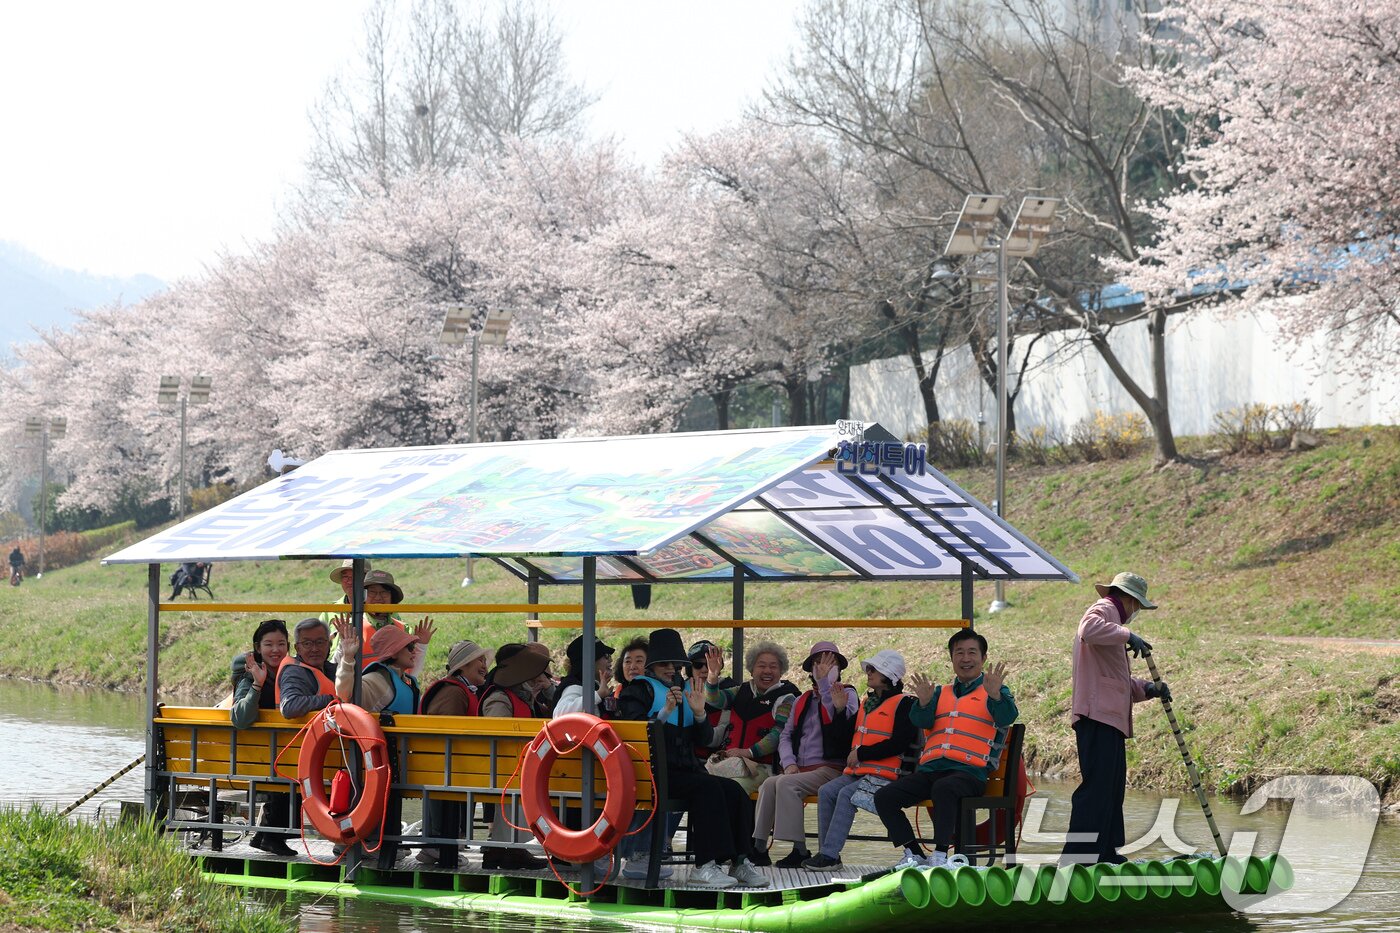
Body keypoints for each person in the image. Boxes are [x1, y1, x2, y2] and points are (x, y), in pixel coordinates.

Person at [620, 628, 763, 889]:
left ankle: (740, 861)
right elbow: (633, 733)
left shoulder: (687, 691)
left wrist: (699, 714)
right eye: (664, 664)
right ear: (652, 665)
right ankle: (705, 866)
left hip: (685, 771)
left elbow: (705, 740)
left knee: (734, 791)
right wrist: (664, 712)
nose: (670, 668)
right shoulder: (638, 691)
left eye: (675, 664)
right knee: (707, 789)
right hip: (651, 775)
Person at [874, 630, 1017, 869]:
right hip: (932, 770)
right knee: (884, 796)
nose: (965, 658)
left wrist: (995, 696)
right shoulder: (940, 692)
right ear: (951, 659)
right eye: (959, 652)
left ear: (983, 658)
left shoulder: (996, 690)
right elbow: (921, 722)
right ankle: (914, 853)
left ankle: (941, 857)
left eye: (972, 652)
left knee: (945, 787)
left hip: (969, 774)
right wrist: (923, 703)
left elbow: (1007, 716)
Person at [1061, 572, 1170, 866]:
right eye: (1137, 606)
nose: (1136, 614)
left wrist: (1148, 688)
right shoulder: (1106, 609)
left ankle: (1105, 853)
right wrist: (1128, 635)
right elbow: (1088, 628)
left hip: (1109, 719)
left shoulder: (1113, 622)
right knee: (1097, 788)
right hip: (1097, 717)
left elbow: (1116, 680)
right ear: (1131, 600)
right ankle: (1079, 859)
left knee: (1111, 789)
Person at [803, 650, 916, 871]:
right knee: (827, 791)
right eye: (869, 669)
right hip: (860, 772)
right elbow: (843, 739)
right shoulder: (868, 702)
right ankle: (828, 855)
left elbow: (900, 743)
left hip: (888, 776)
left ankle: (829, 854)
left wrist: (862, 754)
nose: (869, 672)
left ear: (889, 674)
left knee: (847, 795)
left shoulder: (905, 703)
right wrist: (839, 710)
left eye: (874, 669)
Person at [751, 641, 857, 868]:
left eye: (832, 663)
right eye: (819, 662)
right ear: (811, 669)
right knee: (769, 784)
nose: (825, 667)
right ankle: (758, 848)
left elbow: (837, 724)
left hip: (831, 768)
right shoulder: (801, 700)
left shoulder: (847, 694)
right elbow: (785, 736)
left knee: (788, 785)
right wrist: (789, 763)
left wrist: (825, 686)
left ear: (839, 669)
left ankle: (799, 850)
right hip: (801, 769)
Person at [479, 643, 552, 870]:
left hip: (515, 768)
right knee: (518, 787)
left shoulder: (517, 695)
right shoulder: (499, 698)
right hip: (501, 769)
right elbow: (497, 736)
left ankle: (508, 850)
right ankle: (503, 849)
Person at [417, 639, 488, 869]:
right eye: (480, 660)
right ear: (464, 665)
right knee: (444, 790)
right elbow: (443, 736)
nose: (485, 665)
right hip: (441, 768)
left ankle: (439, 845)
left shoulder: (462, 689)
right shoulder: (453, 692)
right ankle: (437, 844)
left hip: (449, 767)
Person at [229, 619, 294, 856]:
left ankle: (264, 836)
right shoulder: (249, 677)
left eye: (281, 644)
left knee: (292, 763)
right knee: (293, 769)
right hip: (257, 756)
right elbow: (240, 719)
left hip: (277, 753)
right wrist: (257, 684)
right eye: (268, 644)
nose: (275, 650)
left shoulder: (293, 672)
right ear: (257, 648)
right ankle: (271, 837)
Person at [703, 641, 800, 786]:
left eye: (773, 667)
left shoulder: (786, 699)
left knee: (733, 787)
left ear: (781, 671)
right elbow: (714, 700)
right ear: (751, 670)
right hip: (731, 764)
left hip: (763, 768)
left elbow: (778, 735)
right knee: (706, 784)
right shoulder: (741, 691)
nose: (767, 671)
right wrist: (712, 676)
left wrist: (747, 752)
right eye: (761, 666)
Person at [328, 569, 433, 675]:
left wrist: (421, 646)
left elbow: (411, 673)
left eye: (384, 592)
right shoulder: (351, 628)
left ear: (392, 598)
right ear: (363, 596)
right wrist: (344, 645)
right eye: (372, 592)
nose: (378, 597)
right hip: (365, 690)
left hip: (397, 690)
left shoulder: (403, 629)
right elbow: (335, 668)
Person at [276, 618, 338, 718]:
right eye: (307, 644)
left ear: (328, 645)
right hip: (298, 732)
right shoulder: (294, 672)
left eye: (320, 642)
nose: (315, 649)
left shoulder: (332, 669)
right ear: (297, 648)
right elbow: (289, 706)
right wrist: (331, 699)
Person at [688, 640, 735, 758]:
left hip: (715, 758)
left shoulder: (728, 691)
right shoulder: (681, 689)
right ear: (690, 668)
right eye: (698, 665)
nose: (704, 669)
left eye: (709, 665)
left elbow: (714, 740)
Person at [552, 635, 616, 717]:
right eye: (606, 656)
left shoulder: (591, 686)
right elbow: (559, 714)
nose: (610, 660)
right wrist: (598, 695)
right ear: (590, 662)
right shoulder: (574, 687)